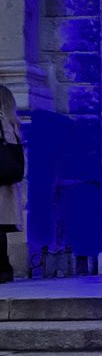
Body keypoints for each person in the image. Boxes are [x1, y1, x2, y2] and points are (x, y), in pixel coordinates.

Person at [0, 85, 24, 283]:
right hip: (7, 185)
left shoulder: (3, 124)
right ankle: (4, 269)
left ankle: (3, 269)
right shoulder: (13, 123)